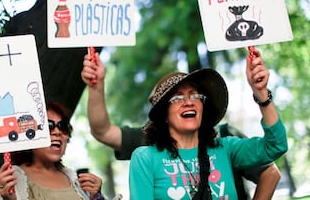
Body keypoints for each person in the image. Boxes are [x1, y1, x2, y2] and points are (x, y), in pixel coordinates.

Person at [81, 51, 282, 199]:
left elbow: (276, 147)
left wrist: (261, 94)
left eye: (195, 95)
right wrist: (96, 87)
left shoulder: (226, 147)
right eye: (177, 98)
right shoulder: (144, 156)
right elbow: (103, 131)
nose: (188, 101)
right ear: (163, 115)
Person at [0, 101, 105, 200]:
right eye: (48, 125)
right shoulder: (11, 180)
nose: (57, 131)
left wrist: (96, 197)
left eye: (63, 126)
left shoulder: (75, 181)